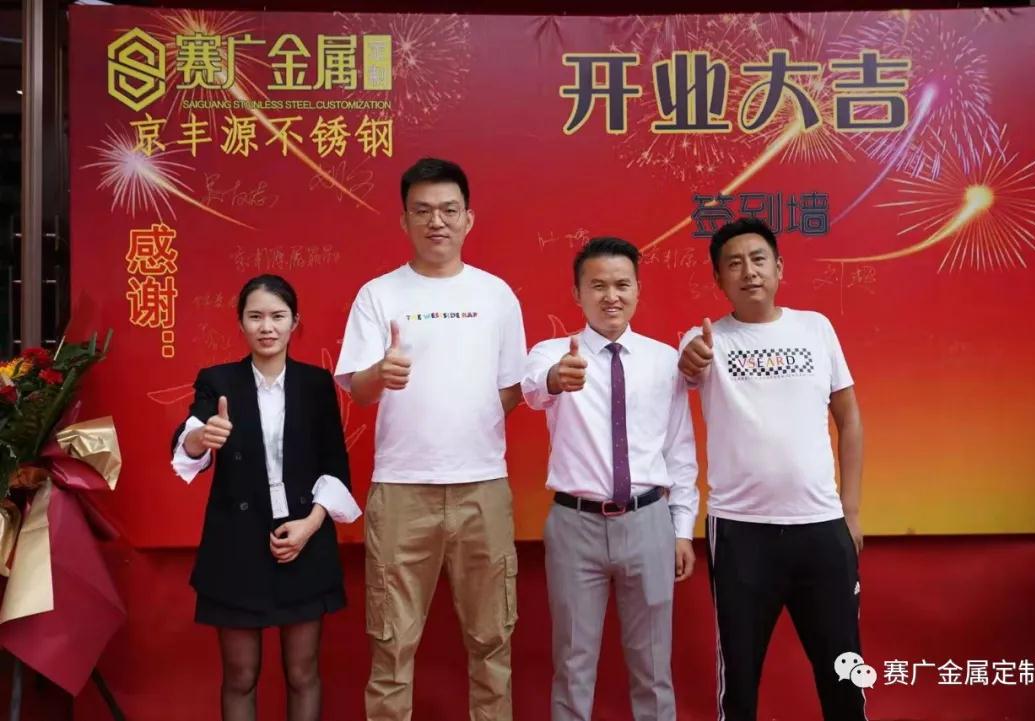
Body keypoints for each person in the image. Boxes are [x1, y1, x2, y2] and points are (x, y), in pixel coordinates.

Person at [334, 158, 527, 721]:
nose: (436, 221)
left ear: (468, 218)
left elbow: (511, 388)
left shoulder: (496, 295)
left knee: (493, 642)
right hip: (401, 491)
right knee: (391, 644)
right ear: (404, 221)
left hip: (482, 488)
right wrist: (381, 374)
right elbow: (359, 390)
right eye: (422, 211)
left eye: (448, 210)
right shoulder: (378, 294)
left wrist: (467, 425)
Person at [678, 217, 866, 721]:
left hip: (821, 528)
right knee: (738, 684)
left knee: (844, 676)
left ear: (779, 267)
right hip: (741, 533)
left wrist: (849, 512)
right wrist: (692, 359)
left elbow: (849, 418)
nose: (749, 272)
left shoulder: (815, 328)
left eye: (759, 259)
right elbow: (686, 369)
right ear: (719, 279)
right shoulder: (704, 340)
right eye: (734, 264)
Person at [522, 237, 699, 721]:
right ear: (577, 294)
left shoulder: (663, 360)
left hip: (649, 522)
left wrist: (682, 528)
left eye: (622, 284)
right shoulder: (553, 353)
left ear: (638, 289)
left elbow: (679, 450)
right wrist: (557, 377)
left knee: (653, 666)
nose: (611, 296)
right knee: (573, 663)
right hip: (574, 525)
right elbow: (533, 389)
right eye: (597, 286)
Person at [171, 274, 361, 721]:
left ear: (295, 322)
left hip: (303, 538)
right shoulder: (218, 381)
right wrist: (202, 437)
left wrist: (311, 524)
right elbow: (190, 437)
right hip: (236, 544)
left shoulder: (316, 384)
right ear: (240, 323)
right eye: (255, 316)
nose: (267, 327)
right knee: (240, 676)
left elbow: (335, 464)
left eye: (277, 316)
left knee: (302, 673)